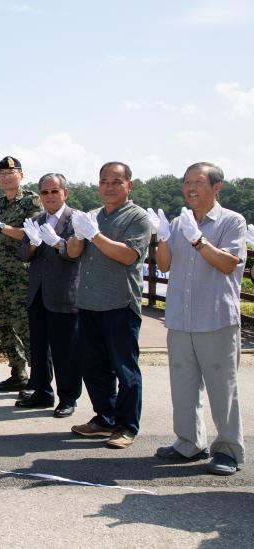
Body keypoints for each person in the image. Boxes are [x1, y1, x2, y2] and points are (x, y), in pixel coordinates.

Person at [150, 162, 247, 475]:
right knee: (183, 385)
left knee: (223, 388)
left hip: (215, 317)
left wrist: (199, 240)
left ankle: (229, 449)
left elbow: (228, 264)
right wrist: (164, 237)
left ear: (217, 187)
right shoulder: (180, 222)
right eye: (186, 182)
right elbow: (164, 265)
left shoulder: (232, 221)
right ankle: (189, 442)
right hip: (180, 316)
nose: (190, 188)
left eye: (198, 182)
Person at [67, 161, 152, 449]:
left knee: (125, 368)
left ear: (129, 184)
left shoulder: (137, 217)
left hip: (119, 303)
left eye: (116, 182)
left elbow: (129, 256)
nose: (109, 187)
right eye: (104, 181)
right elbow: (73, 252)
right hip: (89, 302)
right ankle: (105, 418)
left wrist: (94, 235)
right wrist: (79, 235)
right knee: (93, 366)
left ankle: (127, 426)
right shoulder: (92, 216)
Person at [15, 173, 81, 417]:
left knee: (66, 351)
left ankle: (68, 397)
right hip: (38, 293)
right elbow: (24, 254)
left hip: (64, 294)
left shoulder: (76, 219)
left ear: (65, 193)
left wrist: (56, 243)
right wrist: (32, 242)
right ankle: (42, 391)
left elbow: (75, 254)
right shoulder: (35, 219)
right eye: (45, 192)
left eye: (55, 191)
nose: (50, 196)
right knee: (39, 348)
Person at [0, 156, 41, 392]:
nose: (5, 177)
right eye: (2, 174)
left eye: (10, 173)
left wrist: (2, 226)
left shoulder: (31, 201)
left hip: (22, 274)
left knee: (26, 326)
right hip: (1, 272)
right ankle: (18, 372)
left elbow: (32, 234)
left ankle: (39, 378)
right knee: (4, 325)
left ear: (21, 175)